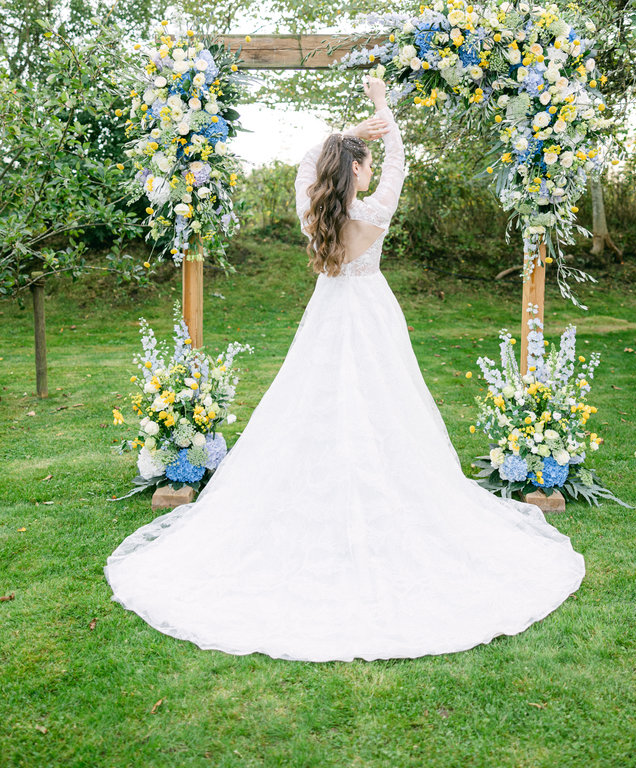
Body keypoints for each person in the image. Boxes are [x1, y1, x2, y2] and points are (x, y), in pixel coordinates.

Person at [104, 77, 585, 663]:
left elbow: (306, 164)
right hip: (372, 312)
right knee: (385, 405)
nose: (374, 167)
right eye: (367, 162)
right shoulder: (376, 211)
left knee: (315, 401)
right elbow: (398, 160)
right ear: (357, 170)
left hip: (328, 312)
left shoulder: (314, 213)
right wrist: (381, 105)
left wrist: (346, 135)